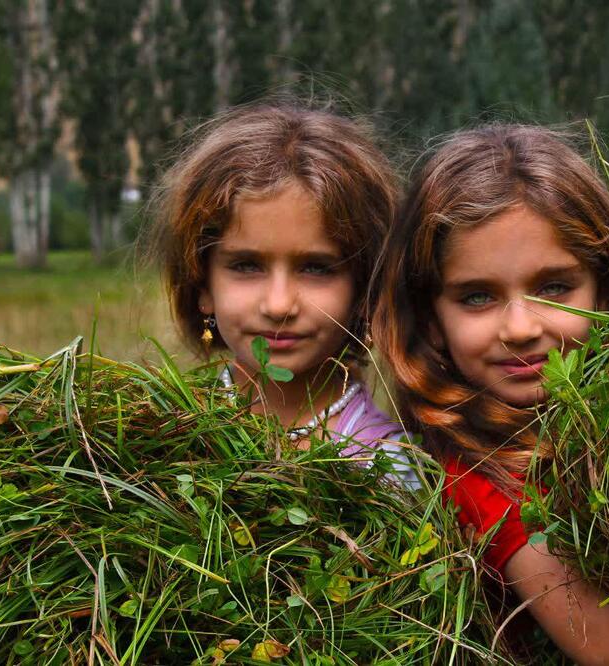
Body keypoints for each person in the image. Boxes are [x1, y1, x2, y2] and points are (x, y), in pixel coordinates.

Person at [372, 124, 609, 664]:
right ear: (432, 321)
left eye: (554, 287)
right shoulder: (480, 483)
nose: (520, 327)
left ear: (608, 288)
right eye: (477, 297)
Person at [151, 102, 418, 488]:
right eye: (246, 266)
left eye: (316, 268)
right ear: (202, 287)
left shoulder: (388, 469)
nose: (278, 305)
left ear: (365, 290)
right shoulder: (158, 430)